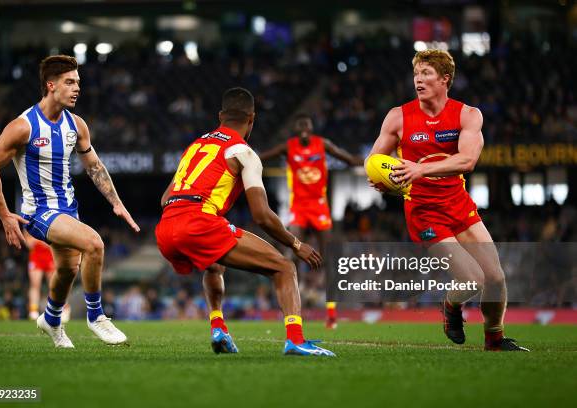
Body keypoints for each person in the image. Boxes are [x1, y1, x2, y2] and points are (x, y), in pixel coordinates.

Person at [367, 49, 528, 351]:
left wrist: (418, 169)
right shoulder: (398, 117)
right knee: (472, 280)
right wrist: (385, 180)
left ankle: (494, 338)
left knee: (495, 278)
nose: (419, 80)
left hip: (459, 205)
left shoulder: (468, 115)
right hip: (424, 211)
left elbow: (467, 161)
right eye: (416, 74)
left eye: (426, 74)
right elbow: (375, 160)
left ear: (445, 79)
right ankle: (450, 306)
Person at [155, 87, 334, 356]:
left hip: (165, 228)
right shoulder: (244, 152)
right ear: (252, 119)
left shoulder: (197, 144)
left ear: (220, 116)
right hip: (197, 222)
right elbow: (261, 215)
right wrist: (297, 245)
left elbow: (165, 197)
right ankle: (295, 339)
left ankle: (218, 327)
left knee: (214, 265)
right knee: (284, 267)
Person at [0, 55, 140, 348]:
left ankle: (51, 320)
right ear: (50, 85)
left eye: (78, 82)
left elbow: (94, 166)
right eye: (70, 82)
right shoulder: (23, 126)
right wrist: (5, 216)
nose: (77, 88)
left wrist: (116, 202)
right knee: (94, 244)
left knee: (68, 269)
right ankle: (97, 316)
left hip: (67, 209)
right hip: (37, 212)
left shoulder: (77, 125)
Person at [259, 114, 362, 329]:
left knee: (329, 258)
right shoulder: (288, 147)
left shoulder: (322, 144)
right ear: (295, 129)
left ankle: (331, 314)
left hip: (319, 207)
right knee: (292, 253)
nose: (304, 127)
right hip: (299, 208)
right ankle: (293, 307)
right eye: (300, 124)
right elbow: (262, 157)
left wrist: (374, 162)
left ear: (312, 127)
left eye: (307, 124)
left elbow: (349, 159)